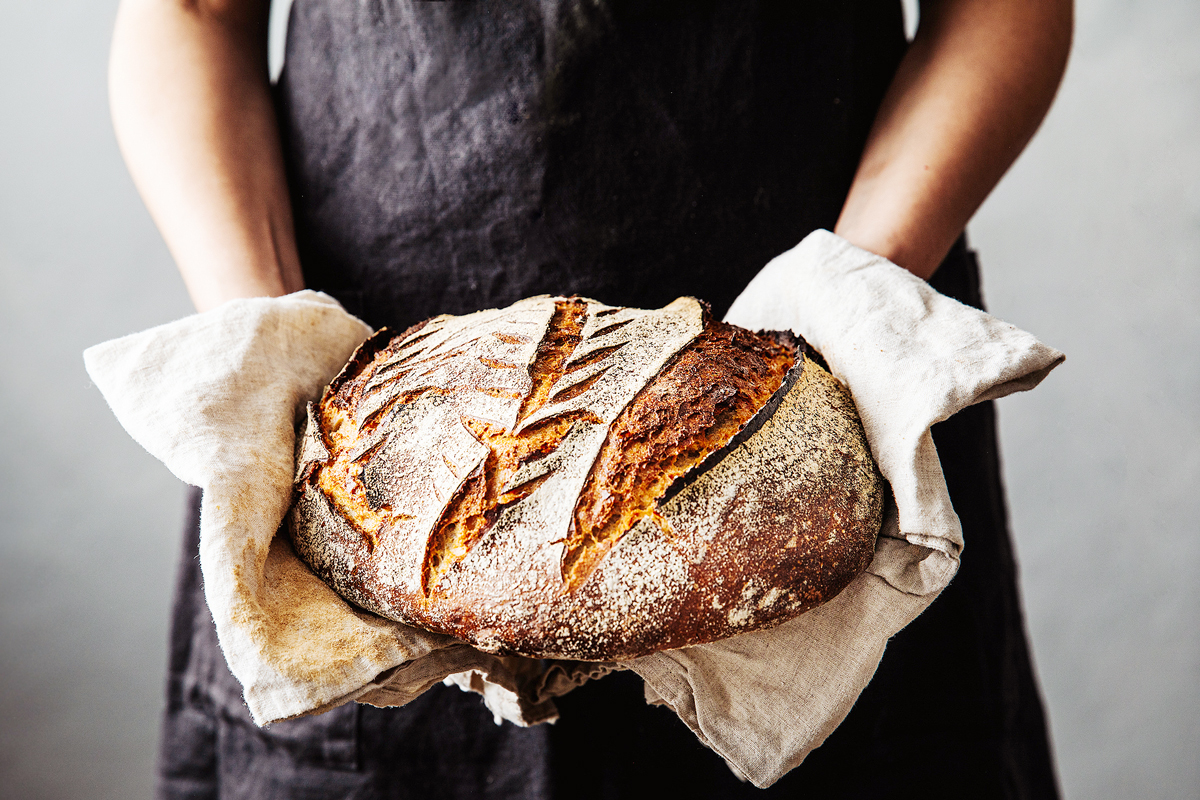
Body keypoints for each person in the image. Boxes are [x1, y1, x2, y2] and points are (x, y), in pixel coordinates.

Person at [109, 1, 1073, 797]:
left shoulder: (835, 363)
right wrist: (272, 339)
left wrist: (856, 296)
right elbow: (189, 12)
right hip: (367, 428)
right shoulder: (330, 427)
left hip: (830, 383)